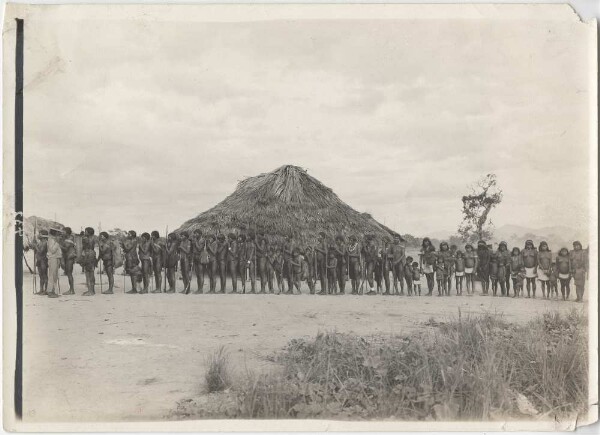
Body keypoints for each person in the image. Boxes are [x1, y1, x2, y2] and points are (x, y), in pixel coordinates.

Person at [28, 229, 49, 295]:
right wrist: (31, 244)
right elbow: (35, 249)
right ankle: (41, 290)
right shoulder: (40, 242)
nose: (38, 235)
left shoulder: (45, 242)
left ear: (43, 235)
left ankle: (46, 290)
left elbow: (41, 251)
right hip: (39, 260)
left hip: (43, 260)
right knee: (40, 275)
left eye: (39, 234)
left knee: (44, 275)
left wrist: (35, 246)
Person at [47, 228, 64, 298]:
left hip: (56, 258)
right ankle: (50, 291)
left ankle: (53, 291)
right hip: (53, 258)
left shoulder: (54, 240)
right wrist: (57, 243)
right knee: (52, 275)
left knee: (55, 276)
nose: (59, 234)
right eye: (58, 233)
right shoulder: (51, 240)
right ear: (55, 233)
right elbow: (52, 250)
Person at [60, 227, 77, 295]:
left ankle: (72, 290)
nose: (62, 233)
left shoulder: (70, 239)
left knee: (69, 273)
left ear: (66, 232)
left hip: (70, 257)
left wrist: (58, 245)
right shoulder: (66, 238)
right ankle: (71, 289)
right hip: (67, 257)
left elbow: (65, 249)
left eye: (63, 232)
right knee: (68, 273)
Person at [81, 227, 97, 296]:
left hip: (88, 254)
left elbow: (84, 247)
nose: (85, 232)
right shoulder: (94, 238)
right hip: (92, 254)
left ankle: (90, 291)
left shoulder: (85, 239)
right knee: (92, 272)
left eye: (85, 231)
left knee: (88, 273)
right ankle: (92, 290)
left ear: (88, 232)